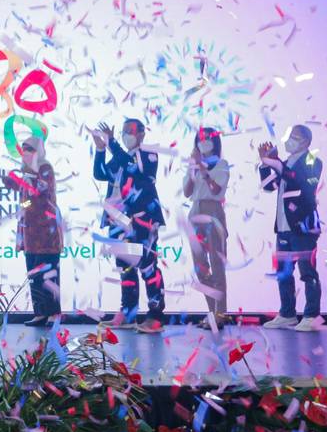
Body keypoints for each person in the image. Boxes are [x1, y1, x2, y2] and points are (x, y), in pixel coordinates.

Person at [91, 119, 166, 333]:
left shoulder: (148, 153)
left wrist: (112, 142)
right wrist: (100, 150)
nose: (125, 135)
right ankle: (129, 312)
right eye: (123, 132)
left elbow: (134, 169)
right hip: (119, 220)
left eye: (129, 132)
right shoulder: (120, 157)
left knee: (147, 265)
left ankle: (156, 316)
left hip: (141, 219)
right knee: (126, 267)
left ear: (142, 133)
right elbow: (101, 173)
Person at [259, 125, 324, 332]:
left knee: (307, 272)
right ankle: (287, 314)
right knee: (284, 273)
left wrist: (276, 163)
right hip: (284, 227)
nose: (288, 141)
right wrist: (265, 165)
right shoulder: (285, 164)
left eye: (293, 138)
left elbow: (300, 182)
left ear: (305, 141)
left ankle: (312, 315)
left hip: (303, 227)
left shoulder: (313, 161)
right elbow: (270, 186)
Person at [0, 135, 63, 326]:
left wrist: (29, 176)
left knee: (49, 274)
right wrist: (5, 179)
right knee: (34, 274)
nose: (26, 153)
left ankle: (54, 314)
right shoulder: (28, 172)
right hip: (30, 233)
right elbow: (24, 194)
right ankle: (40, 312)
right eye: (24, 149)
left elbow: (39, 191)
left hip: (46, 232)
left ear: (39, 151)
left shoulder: (44, 168)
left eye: (30, 149)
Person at [183, 127, 230, 329]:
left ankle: (221, 313)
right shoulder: (194, 164)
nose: (203, 142)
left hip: (213, 212)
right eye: (200, 139)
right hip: (195, 211)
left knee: (216, 264)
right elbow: (187, 192)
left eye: (208, 139)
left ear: (215, 141)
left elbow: (216, 189)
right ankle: (211, 312)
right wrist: (193, 168)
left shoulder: (221, 164)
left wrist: (203, 170)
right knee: (201, 266)